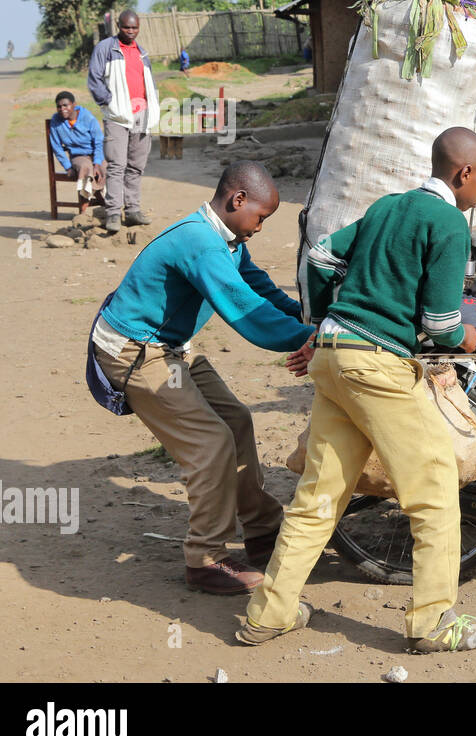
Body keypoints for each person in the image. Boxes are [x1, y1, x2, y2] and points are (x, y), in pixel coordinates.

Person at [240, 129, 476, 653]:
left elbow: (320, 260)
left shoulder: (387, 207)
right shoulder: (449, 223)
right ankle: (432, 622)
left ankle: (269, 613)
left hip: (334, 357)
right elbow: (442, 323)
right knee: (433, 485)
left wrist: (318, 321)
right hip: (377, 367)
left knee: (320, 495)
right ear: (464, 174)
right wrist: (470, 336)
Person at [93, 161, 315, 594]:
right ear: (238, 200)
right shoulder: (201, 244)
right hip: (138, 352)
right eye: (261, 217)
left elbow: (261, 291)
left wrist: (310, 317)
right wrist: (311, 339)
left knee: (237, 421)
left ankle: (264, 530)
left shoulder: (227, 239)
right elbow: (245, 311)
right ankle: (205, 559)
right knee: (210, 444)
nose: (260, 228)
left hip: (171, 348)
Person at [88, 9, 160, 236]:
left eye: (135, 27)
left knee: (136, 166)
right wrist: (108, 103)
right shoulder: (106, 48)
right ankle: (112, 213)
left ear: (139, 28)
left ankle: (133, 210)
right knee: (117, 165)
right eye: (126, 27)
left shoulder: (141, 52)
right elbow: (94, 78)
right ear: (118, 26)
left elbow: (147, 82)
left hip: (142, 116)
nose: (131, 31)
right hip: (117, 116)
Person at [48, 91, 106, 201]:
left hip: (95, 154)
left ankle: (107, 202)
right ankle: (84, 208)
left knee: (106, 168)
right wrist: (68, 167)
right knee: (85, 167)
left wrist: (97, 163)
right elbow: (57, 147)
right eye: (59, 106)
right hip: (78, 156)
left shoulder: (88, 118)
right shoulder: (56, 121)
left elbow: (99, 142)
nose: (62, 109)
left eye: (65, 105)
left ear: (74, 105)